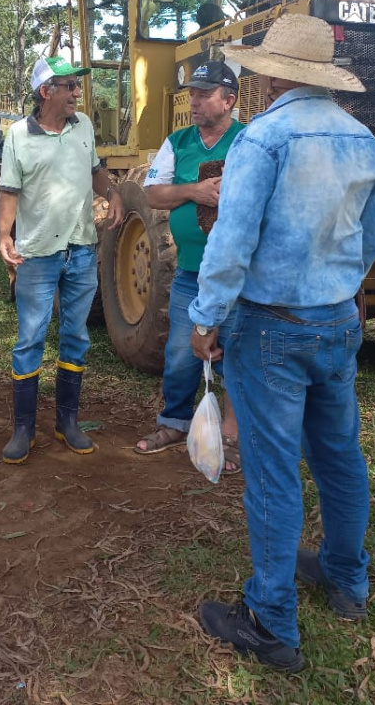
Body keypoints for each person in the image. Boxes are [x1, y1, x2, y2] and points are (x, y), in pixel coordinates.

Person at [189, 15, 375, 672]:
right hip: (337, 321)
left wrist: (205, 318)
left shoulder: (264, 138)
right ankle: (346, 579)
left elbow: (232, 240)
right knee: (339, 455)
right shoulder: (365, 141)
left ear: (272, 77)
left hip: (272, 325)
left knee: (274, 472)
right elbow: (372, 240)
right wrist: (339, 287)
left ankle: (271, 623)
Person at [0, 56, 125, 465]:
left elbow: (95, 170)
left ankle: (67, 422)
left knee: (76, 337)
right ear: (45, 92)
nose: (76, 93)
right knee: (30, 339)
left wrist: (112, 192)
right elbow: (9, 191)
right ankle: (24, 429)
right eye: (69, 86)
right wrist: (4, 235)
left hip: (82, 250)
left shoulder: (83, 125)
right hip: (37, 255)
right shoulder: (19, 135)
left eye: (76, 85)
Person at [136, 60, 243, 470]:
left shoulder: (248, 140)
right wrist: (195, 191)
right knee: (181, 351)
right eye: (192, 94)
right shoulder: (177, 142)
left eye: (203, 95)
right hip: (191, 272)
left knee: (234, 351)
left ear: (228, 100)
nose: (194, 102)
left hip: (237, 274)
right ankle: (174, 422)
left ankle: (231, 436)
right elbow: (153, 194)